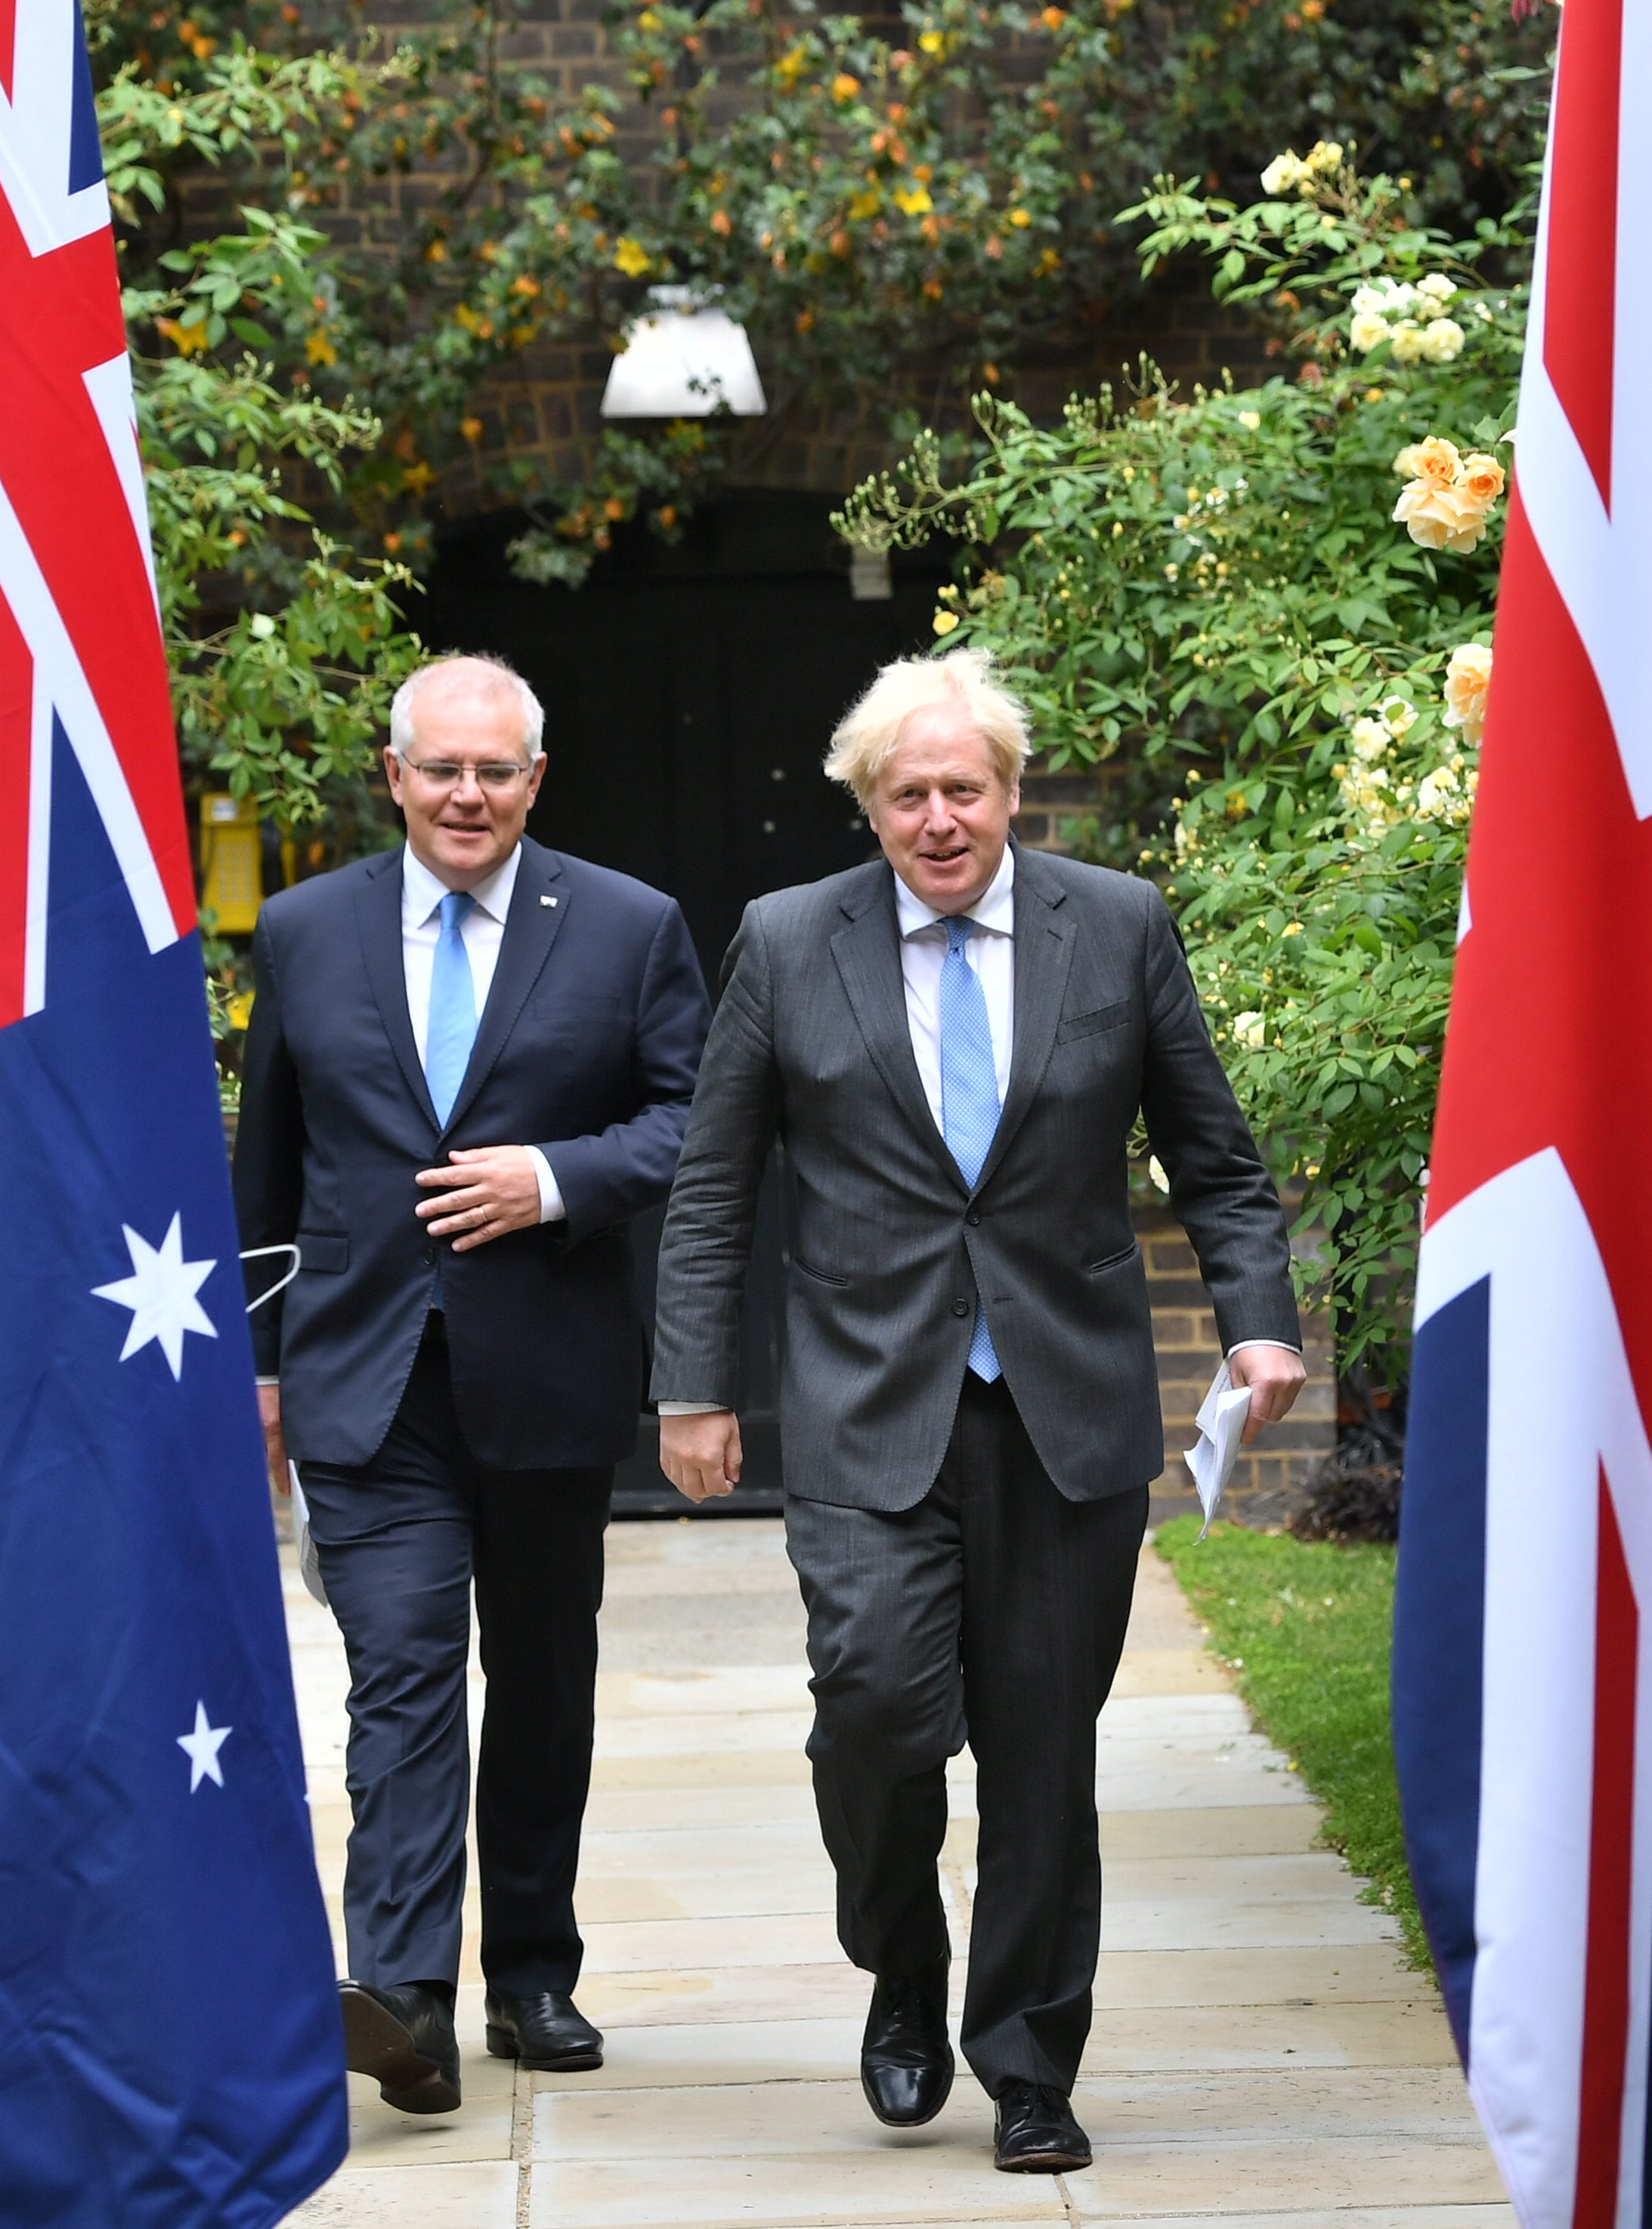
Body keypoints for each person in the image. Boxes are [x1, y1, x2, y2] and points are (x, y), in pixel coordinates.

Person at [649, 650, 1305, 2175]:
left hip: (1064, 1406)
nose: (937, 818)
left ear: (1010, 794)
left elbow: (1212, 1152)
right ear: (866, 808)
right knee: (872, 1705)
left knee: (1038, 1754)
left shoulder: (1117, 927)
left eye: (962, 789)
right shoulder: (786, 939)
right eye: (905, 795)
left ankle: (1026, 2064)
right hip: (866, 1400)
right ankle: (901, 1963)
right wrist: (692, 1385)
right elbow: (709, 1179)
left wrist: (1258, 1322)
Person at [233, 655, 709, 2116]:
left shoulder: (629, 928)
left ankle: (534, 1974)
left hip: (547, 1375)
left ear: (535, 781)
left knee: (544, 1680)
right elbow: (269, 1162)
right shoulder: (305, 932)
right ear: (393, 776)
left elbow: (696, 1124)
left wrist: (556, 1178)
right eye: (440, 768)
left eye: (495, 770)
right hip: (363, 1376)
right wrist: (254, 1371)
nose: (467, 794)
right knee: (404, 1677)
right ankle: (409, 1998)